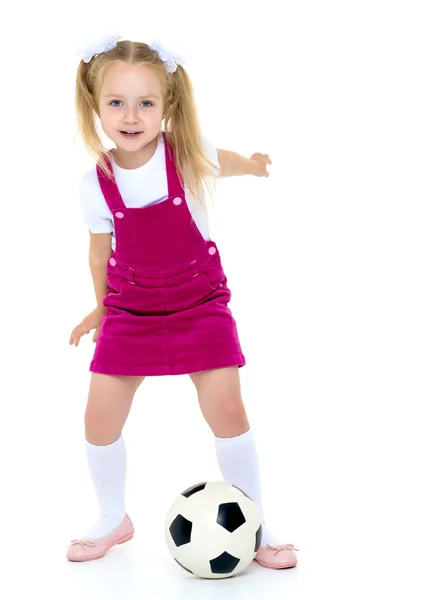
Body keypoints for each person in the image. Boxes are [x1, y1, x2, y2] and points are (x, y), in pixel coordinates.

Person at [67, 33, 299, 569]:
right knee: (98, 418)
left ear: (167, 104)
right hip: (131, 310)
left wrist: (256, 165)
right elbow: (98, 253)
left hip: (199, 305)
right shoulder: (94, 183)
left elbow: (230, 162)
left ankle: (257, 526)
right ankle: (111, 519)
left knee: (227, 408)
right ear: (95, 105)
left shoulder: (188, 156)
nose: (131, 116)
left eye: (146, 102)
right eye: (116, 103)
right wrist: (100, 309)